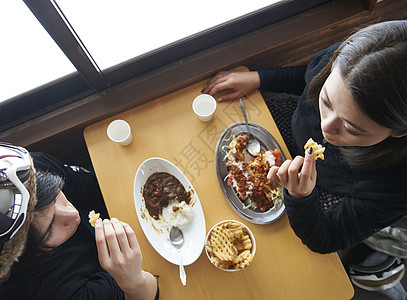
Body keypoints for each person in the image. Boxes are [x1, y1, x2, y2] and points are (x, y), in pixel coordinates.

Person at [202, 20, 407, 254]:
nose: (325, 127)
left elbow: (326, 239)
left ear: (399, 132)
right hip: (290, 127)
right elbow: (308, 76)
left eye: (351, 129)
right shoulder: (349, 61)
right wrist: (260, 78)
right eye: (326, 101)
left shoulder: (396, 186)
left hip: (323, 191)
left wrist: (301, 196)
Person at [0, 143, 158, 299]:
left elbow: (91, 188)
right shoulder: (51, 290)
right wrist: (133, 281)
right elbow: (144, 293)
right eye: (48, 231)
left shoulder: (31, 170)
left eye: (55, 196)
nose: (73, 213)